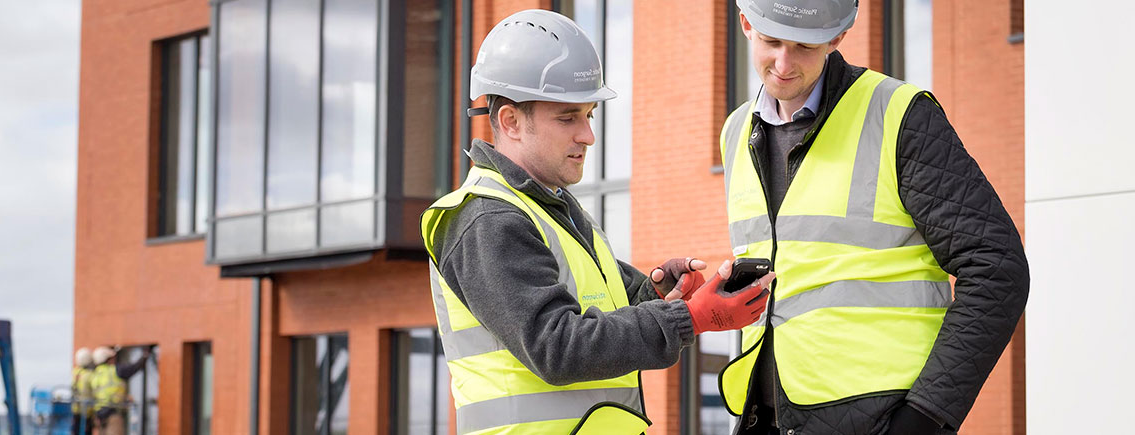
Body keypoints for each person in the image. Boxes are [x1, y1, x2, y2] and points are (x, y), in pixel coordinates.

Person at [420, 9, 775, 434]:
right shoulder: (487, 219)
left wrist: (661, 293)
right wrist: (690, 318)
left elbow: (608, 312)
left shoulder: (554, 209)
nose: (588, 135)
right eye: (568, 117)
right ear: (511, 122)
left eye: (588, 115)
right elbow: (557, 347)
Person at [716, 1, 1031, 433]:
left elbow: (997, 268)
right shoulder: (735, 132)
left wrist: (926, 416)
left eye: (804, 46)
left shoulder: (900, 115)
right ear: (747, 25)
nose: (784, 64)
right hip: (765, 415)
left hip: (878, 418)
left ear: (836, 37)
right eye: (772, 42)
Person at [88, 346, 152, 435]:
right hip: (112, 413)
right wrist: (145, 355)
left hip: (99, 415)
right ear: (108, 359)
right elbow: (134, 368)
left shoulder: (94, 374)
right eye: (112, 358)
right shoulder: (115, 370)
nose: (114, 360)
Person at [71, 347, 96, 435]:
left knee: (75, 431)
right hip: (86, 411)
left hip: (75, 409)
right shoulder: (90, 375)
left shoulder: (75, 373)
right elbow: (95, 390)